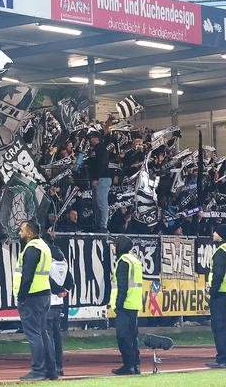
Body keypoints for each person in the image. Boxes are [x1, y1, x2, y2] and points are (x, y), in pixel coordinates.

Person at [13, 220, 56, 381]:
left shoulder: (31, 249)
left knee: (34, 334)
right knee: (43, 333)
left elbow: (27, 275)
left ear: (29, 233)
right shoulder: (44, 246)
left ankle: (38, 370)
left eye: (21, 230)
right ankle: (50, 370)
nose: (19, 233)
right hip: (44, 294)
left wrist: (21, 296)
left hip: (32, 296)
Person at [109, 235, 142, 375]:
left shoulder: (123, 262)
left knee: (123, 336)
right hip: (134, 304)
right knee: (132, 336)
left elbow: (122, 287)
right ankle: (135, 365)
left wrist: (118, 305)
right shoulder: (135, 260)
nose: (112, 247)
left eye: (115, 244)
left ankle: (128, 365)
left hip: (125, 305)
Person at [45, 233, 72, 376]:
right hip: (59, 302)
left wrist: (58, 290)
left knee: (47, 335)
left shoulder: (46, 257)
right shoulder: (63, 258)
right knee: (57, 335)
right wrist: (64, 291)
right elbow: (70, 279)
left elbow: (46, 278)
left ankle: (50, 367)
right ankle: (59, 366)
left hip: (47, 300)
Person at [208, 224, 226, 368]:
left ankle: (222, 359)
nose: (213, 234)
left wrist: (212, 291)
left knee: (219, 327)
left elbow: (218, 274)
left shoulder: (221, 251)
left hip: (221, 295)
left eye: (216, 231)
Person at [87, 131, 110, 233]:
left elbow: (101, 164)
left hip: (102, 178)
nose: (89, 140)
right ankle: (98, 224)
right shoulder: (94, 149)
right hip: (98, 178)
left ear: (96, 138)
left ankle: (103, 225)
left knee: (102, 203)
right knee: (97, 203)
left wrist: (96, 178)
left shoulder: (100, 148)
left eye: (91, 138)